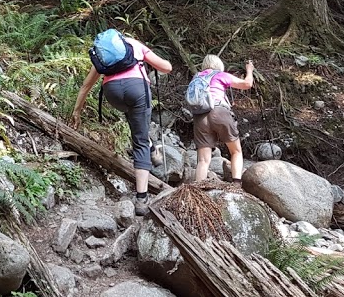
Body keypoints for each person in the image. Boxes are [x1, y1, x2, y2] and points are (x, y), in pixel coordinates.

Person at [71, 33, 172, 215]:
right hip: (137, 89)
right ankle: (142, 199)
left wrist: (76, 111)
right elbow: (167, 67)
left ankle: (150, 147)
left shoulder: (105, 56)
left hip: (113, 93)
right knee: (139, 139)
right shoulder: (135, 44)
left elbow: (86, 86)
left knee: (135, 123)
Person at [192, 54, 254, 184]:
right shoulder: (220, 75)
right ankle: (236, 184)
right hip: (219, 111)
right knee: (236, 151)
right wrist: (249, 70)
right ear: (219, 65)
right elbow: (247, 84)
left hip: (200, 116)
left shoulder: (197, 77)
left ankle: (198, 190)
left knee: (203, 160)